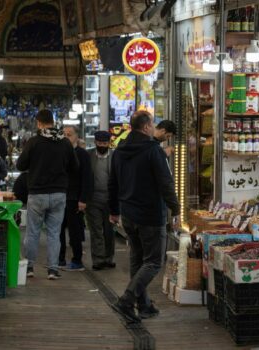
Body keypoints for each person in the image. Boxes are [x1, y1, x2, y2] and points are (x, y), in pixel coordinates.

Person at [109, 110, 180, 323]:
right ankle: (126, 301)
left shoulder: (119, 151)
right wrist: (175, 209)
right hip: (150, 214)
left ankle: (144, 305)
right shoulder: (153, 151)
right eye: (152, 123)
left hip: (128, 214)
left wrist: (114, 211)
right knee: (153, 262)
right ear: (147, 127)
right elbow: (165, 183)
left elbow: (112, 183)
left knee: (137, 260)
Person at [16, 109, 78, 280]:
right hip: (59, 194)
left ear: (39, 123)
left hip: (37, 194)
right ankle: (52, 269)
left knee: (32, 232)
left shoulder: (34, 142)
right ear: (53, 121)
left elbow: (20, 165)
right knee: (54, 233)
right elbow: (75, 167)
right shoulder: (65, 143)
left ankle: (29, 268)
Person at [59, 126, 93, 271]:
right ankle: (59, 259)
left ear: (76, 137)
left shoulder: (82, 154)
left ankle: (77, 260)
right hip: (59, 197)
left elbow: (87, 178)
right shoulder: (58, 153)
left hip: (75, 199)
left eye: (70, 134)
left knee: (75, 232)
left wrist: (83, 199)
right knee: (58, 231)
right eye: (64, 135)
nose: (67, 137)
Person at [86, 130, 115, 270]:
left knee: (109, 231)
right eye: (99, 143)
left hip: (111, 199)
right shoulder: (88, 155)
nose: (102, 145)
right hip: (93, 199)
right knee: (96, 230)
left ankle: (109, 258)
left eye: (104, 143)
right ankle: (98, 259)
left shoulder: (115, 156)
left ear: (109, 143)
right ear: (95, 142)